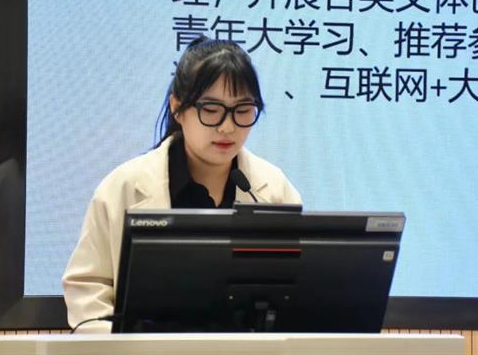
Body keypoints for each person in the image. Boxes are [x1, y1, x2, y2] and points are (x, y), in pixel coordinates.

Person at [62, 36, 302, 333]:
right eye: (211, 110)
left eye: (242, 110)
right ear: (178, 107)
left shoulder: (274, 189)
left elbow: (295, 291)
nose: (227, 127)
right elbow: (88, 289)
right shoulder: (122, 187)